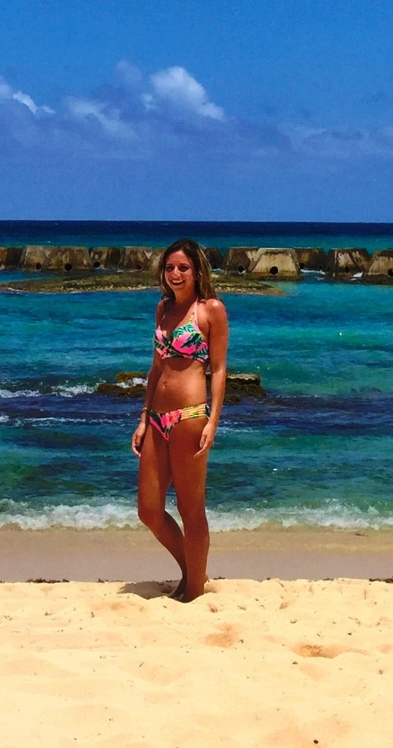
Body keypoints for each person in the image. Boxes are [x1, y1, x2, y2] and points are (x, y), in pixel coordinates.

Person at [131, 238, 230, 601]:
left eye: (183, 268)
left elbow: (218, 369)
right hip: (157, 417)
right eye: (170, 268)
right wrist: (143, 418)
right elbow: (157, 367)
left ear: (197, 271)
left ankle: (193, 589)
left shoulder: (211, 311)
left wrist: (213, 421)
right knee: (149, 510)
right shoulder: (162, 310)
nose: (176, 274)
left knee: (191, 507)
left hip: (190, 416)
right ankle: (193, 572)